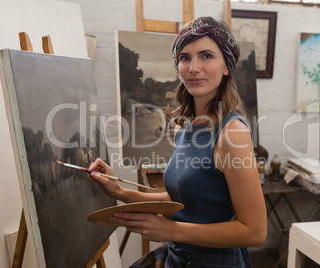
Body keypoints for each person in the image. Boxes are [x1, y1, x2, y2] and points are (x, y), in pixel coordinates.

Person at [88, 16, 267, 268]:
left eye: (206, 56)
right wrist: (119, 191)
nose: (193, 67)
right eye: (185, 57)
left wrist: (171, 231)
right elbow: (184, 201)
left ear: (226, 66)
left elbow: (254, 232)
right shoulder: (188, 126)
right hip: (180, 257)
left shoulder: (231, 133)